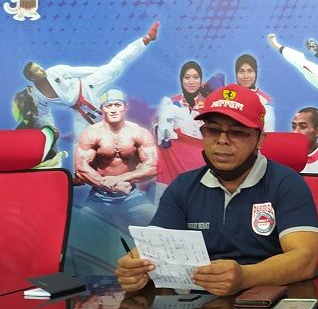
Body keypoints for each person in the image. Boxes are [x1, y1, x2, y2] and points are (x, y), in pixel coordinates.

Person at [115, 84, 318, 296]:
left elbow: (305, 259)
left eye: (237, 132)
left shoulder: (287, 183)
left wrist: (245, 276)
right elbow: (154, 246)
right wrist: (133, 267)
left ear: (259, 139)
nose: (222, 140)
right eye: (212, 130)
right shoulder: (184, 186)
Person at [21, 22, 159, 137]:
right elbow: (44, 114)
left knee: (117, 64)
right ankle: (80, 170)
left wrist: (102, 71)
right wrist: (50, 128)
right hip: (81, 109)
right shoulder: (37, 96)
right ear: (32, 78)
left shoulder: (55, 71)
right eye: (37, 70)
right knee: (80, 139)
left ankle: (146, 39)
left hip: (89, 85)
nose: (42, 70)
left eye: (40, 67)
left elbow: (79, 72)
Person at [74, 89, 157, 229]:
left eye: (117, 105)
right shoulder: (91, 133)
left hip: (130, 195)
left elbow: (152, 166)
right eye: (108, 106)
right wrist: (109, 184)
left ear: (125, 107)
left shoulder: (139, 132)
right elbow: (81, 168)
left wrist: (121, 178)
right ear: (102, 109)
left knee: (155, 223)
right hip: (100, 196)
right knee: (81, 230)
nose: (113, 110)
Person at [154, 61, 225, 199]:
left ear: (201, 80)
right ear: (181, 79)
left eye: (195, 77)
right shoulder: (170, 103)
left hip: (202, 170)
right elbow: (159, 134)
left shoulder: (212, 106)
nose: (191, 81)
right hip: (171, 172)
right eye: (187, 77)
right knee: (168, 212)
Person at [235, 53, 275, 131]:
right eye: (241, 71)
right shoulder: (228, 96)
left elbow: (268, 134)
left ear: (255, 73)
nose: (246, 76)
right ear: (236, 73)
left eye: (250, 71)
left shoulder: (264, 101)